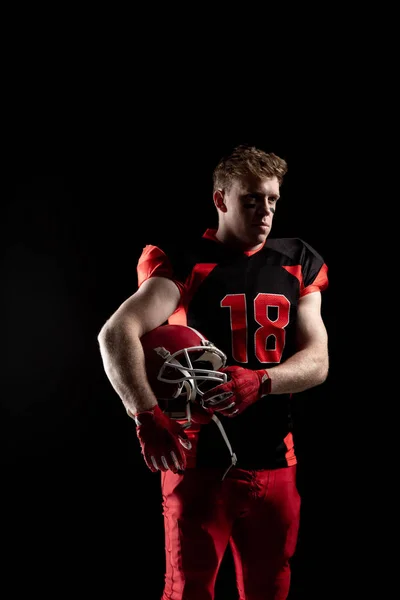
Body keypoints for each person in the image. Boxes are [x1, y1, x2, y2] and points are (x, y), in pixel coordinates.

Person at [97, 144, 329, 600]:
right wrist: (145, 414)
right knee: (188, 592)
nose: (265, 212)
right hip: (199, 463)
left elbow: (318, 359)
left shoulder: (296, 260)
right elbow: (116, 332)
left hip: (276, 460)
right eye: (251, 199)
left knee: (271, 589)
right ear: (221, 200)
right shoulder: (185, 260)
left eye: (272, 200)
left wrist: (262, 382)